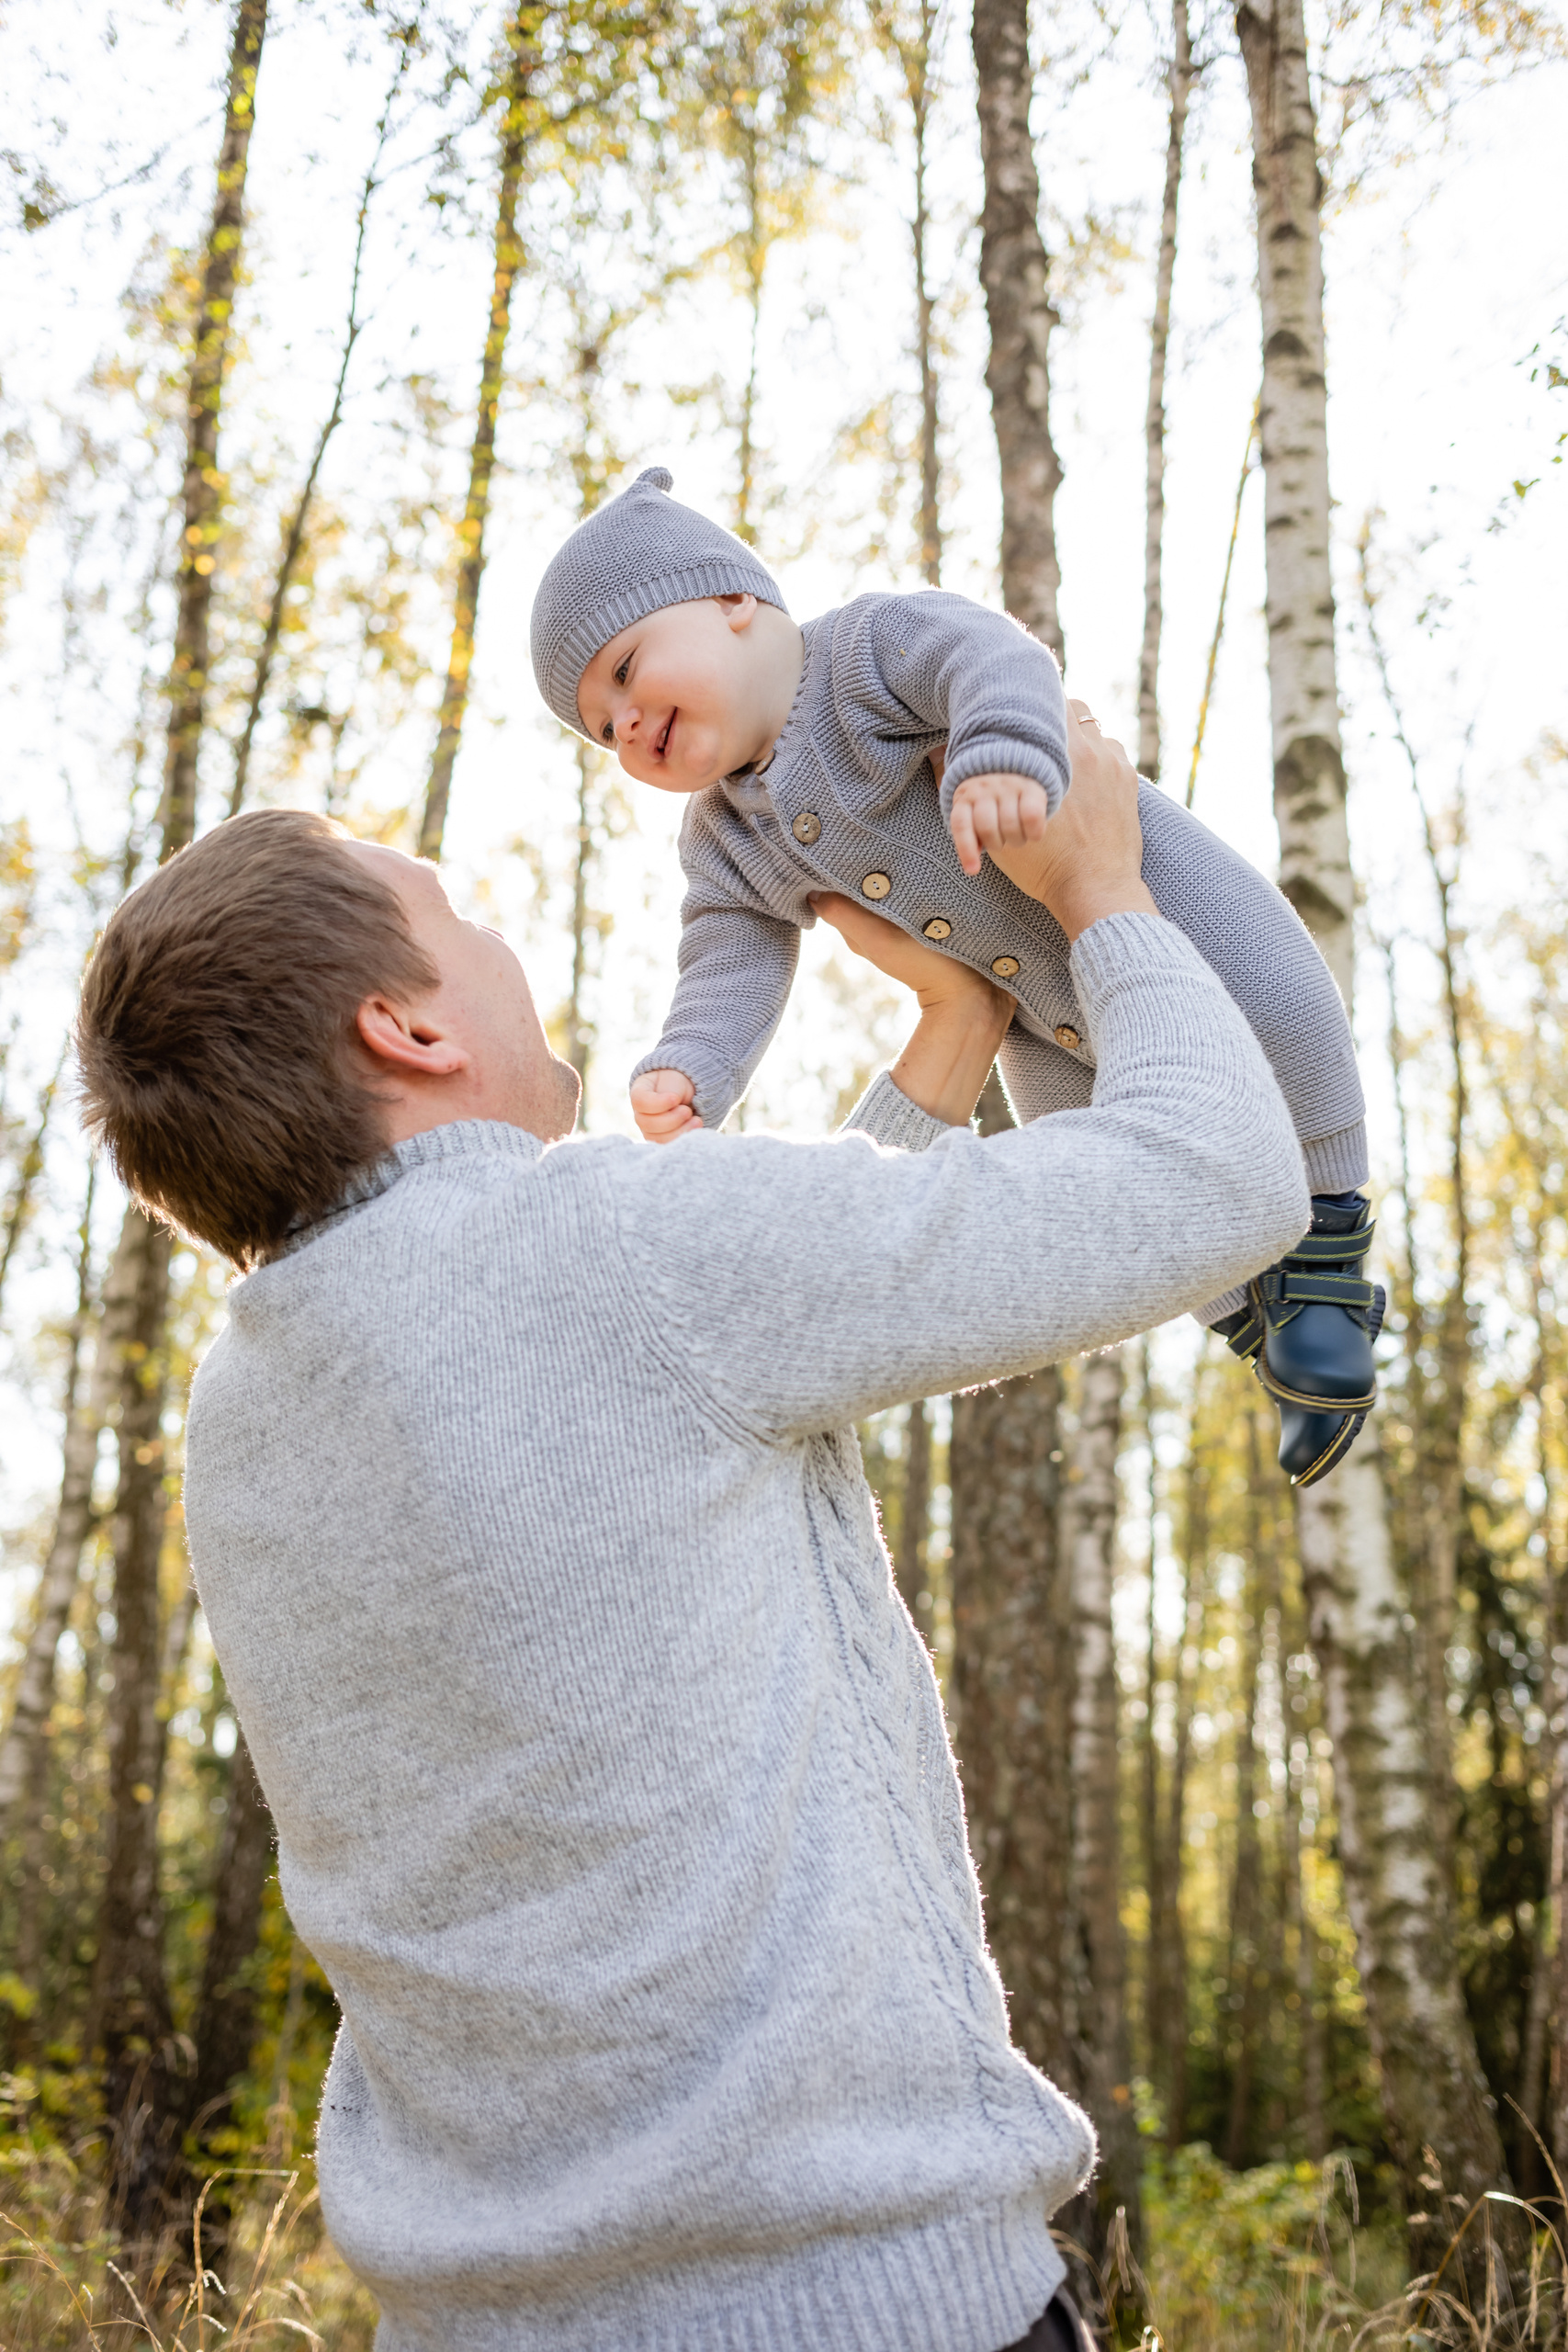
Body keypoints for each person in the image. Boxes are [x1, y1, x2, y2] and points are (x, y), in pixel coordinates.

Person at [74, 711, 1307, 2352]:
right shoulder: (618, 1244)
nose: (502, 940)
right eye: (461, 913)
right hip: (859, 2308)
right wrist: (1103, 895)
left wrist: (948, 1040)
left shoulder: (244, 1413)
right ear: (406, 1025)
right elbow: (1217, 1181)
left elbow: (676, 1408)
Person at [530, 466, 1384, 1488]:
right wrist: (694, 1063)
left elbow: (992, 657)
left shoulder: (862, 654)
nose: (626, 722)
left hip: (1171, 912)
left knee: (1285, 1015)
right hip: (1041, 1020)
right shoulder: (723, 837)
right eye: (600, 725)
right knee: (1098, 1154)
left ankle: (1328, 1258)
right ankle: (1253, 1320)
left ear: (733, 601)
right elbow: (731, 952)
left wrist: (999, 754)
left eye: (626, 668)